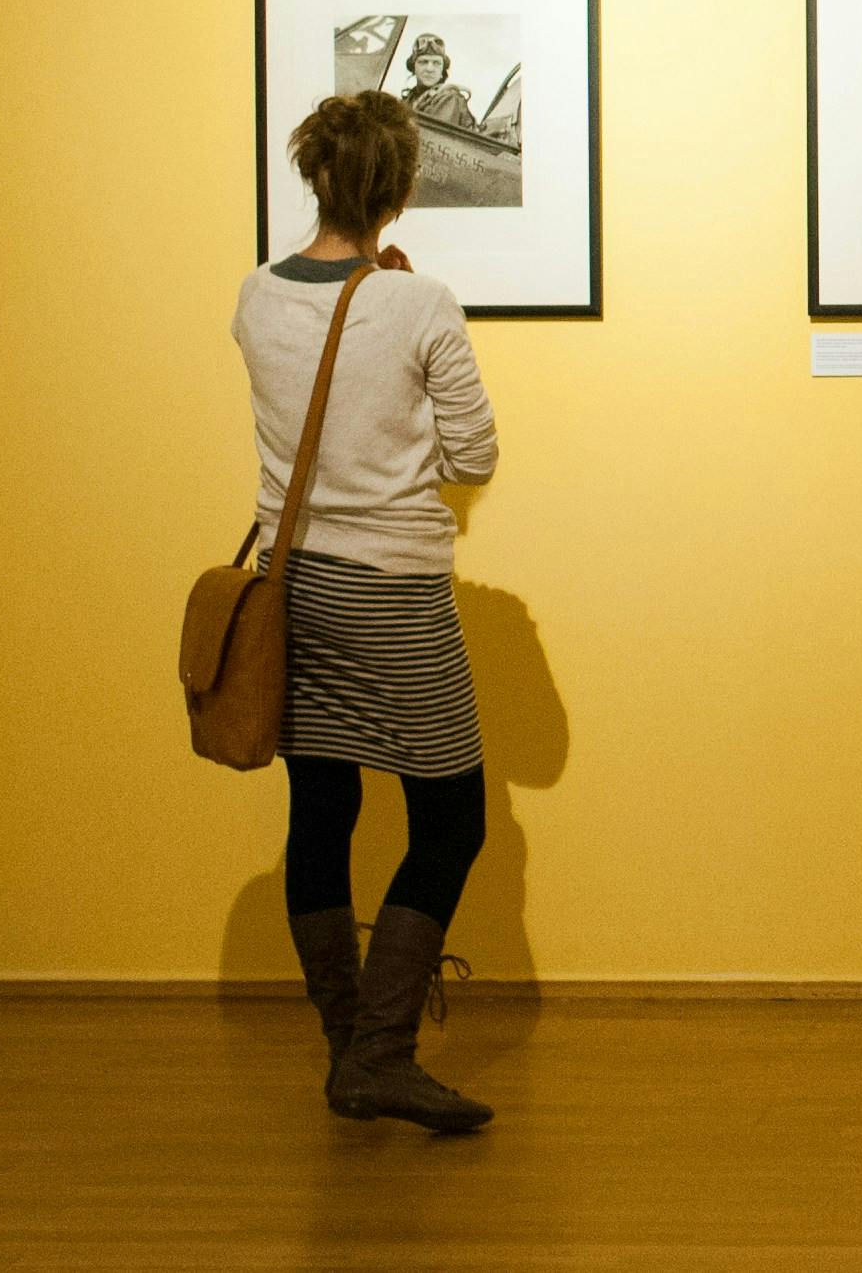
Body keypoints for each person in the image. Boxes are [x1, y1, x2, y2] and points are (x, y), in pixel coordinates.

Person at [234, 89, 500, 1134]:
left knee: (322, 807)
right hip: (388, 583)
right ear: (400, 186)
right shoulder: (419, 299)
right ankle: (381, 1055)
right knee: (453, 816)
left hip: (291, 579)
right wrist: (395, 465)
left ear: (314, 176)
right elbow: (474, 455)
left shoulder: (255, 293)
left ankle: (347, 1042)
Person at [398, 35, 478, 130]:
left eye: (436, 63)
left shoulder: (449, 99)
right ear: (413, 67)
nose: (430, 69)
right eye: (423, 62)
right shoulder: (409, 99)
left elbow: (431, 138)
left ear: (442, 71)